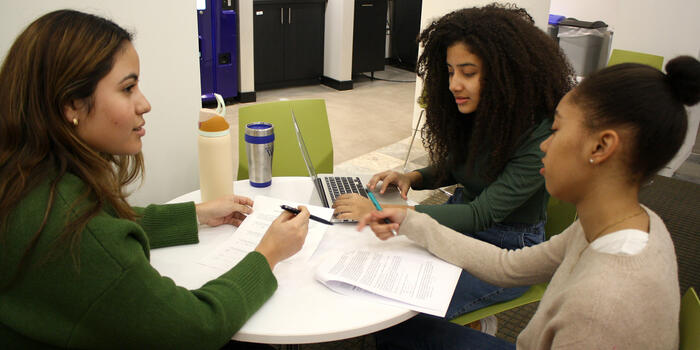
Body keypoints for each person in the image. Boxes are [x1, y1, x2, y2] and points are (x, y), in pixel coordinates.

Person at [0, 10, 310, 349]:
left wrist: (196, 213)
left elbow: (107, 220)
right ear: (72, 104)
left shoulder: (26, 178)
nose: (144, 104)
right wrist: (268, 254)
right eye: (128, 88)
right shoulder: (79, 233)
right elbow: (196, 328)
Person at [359, 55, 700, 349]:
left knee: (396, 329)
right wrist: (410, 220)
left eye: (557, 130)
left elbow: (488, 223)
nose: (544, 146)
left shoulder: (600, 309)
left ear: (600, 147)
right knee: (403, 326)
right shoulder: (629, 222)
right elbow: (510, 266)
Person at [334, 3, 575, 320]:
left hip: (509, 249)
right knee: (383, 270)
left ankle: (475, 328)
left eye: (469, 73)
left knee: (408, 311)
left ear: (507, 73)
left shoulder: (540, 134)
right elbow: (458, 164)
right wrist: (414, 178)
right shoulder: (482, 110)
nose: (454, 84)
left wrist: (388, 212)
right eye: (450, 72)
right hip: (462, 223)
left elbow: (481, 214)